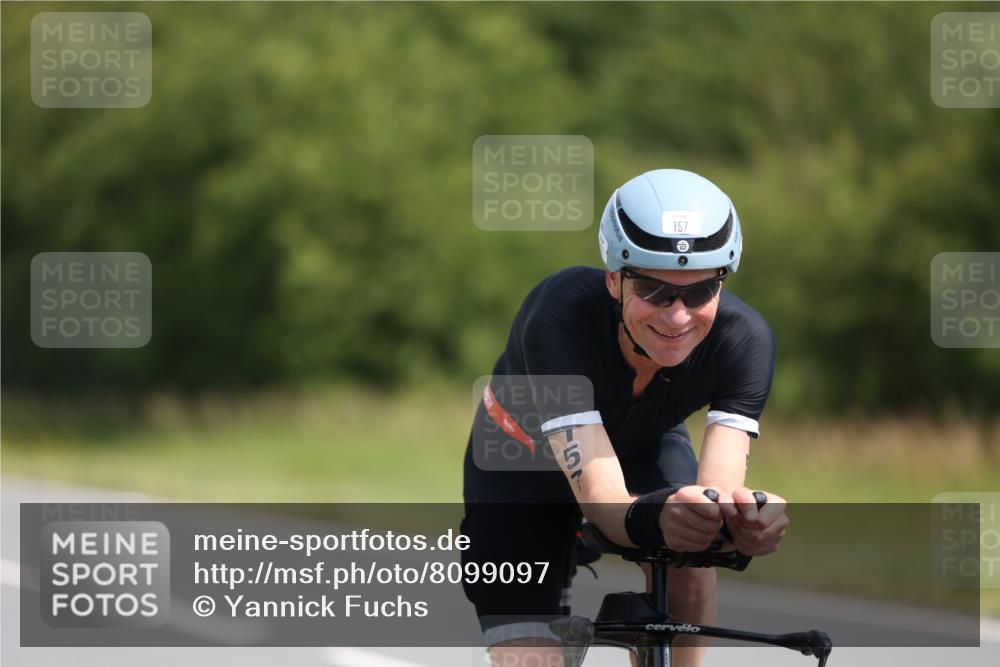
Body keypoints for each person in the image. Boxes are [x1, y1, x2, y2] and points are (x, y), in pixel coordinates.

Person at [461, 169, 789, 667]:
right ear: (614, 279)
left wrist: (743, 522)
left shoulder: (746, 340)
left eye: (700, 292)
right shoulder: (558, 314)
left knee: (693, 564)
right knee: (531, 657)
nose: (678, 316)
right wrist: (658, 518)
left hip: (640, 443)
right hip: (521, 463)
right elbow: (604, 503)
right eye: (656, 291)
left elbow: (715, 493)